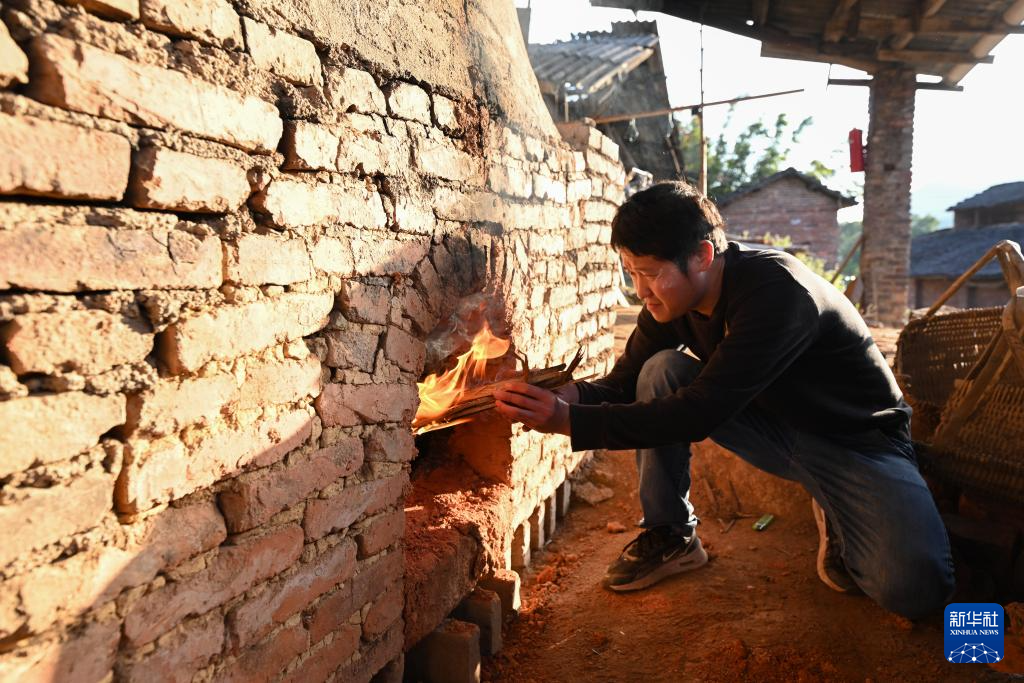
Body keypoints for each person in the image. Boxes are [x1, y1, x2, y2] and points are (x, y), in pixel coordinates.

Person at [494, 181, 955, 620]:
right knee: (661, 371)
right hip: (774, 428)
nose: (641, 290)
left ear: (702, 256)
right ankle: (671, 534)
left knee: (915, 590)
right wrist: (564, 395)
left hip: (856, 443)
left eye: (651, 273)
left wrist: (567, 421)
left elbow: (699, 412)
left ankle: (840, 505)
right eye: (631, 273)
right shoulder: (671, 303)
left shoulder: (777, 295)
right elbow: (622, 384)